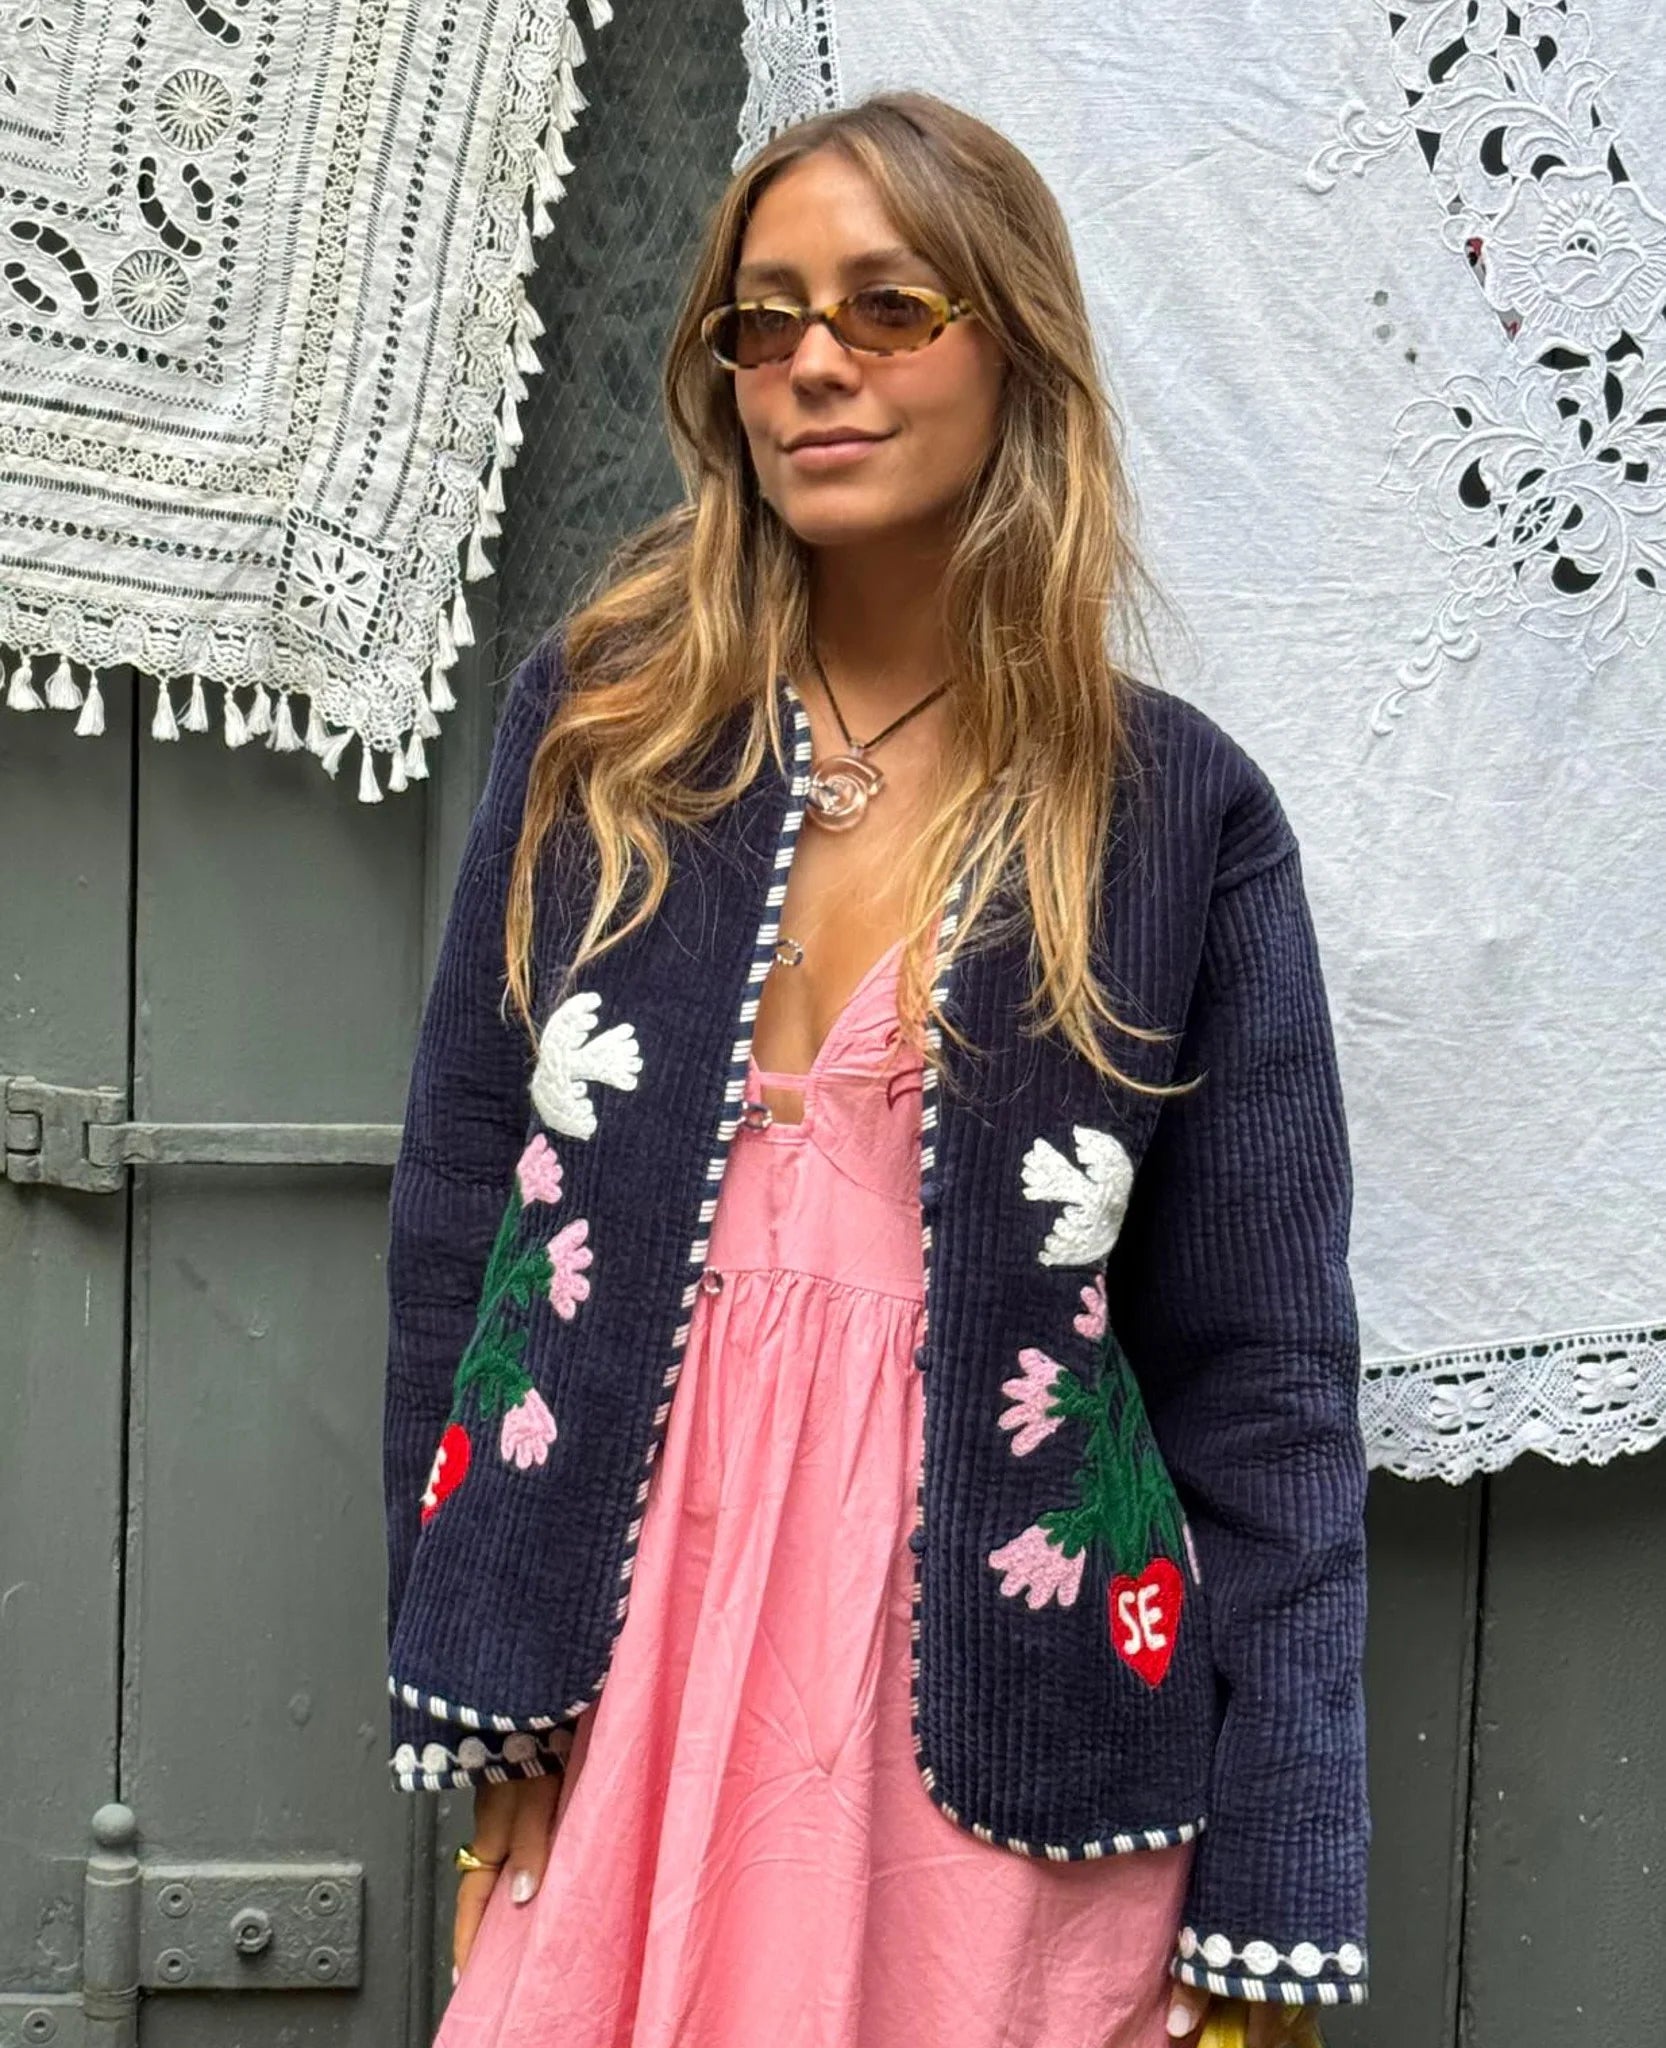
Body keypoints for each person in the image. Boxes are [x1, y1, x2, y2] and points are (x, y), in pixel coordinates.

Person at [381, 88, 1367, 2048]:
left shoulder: (1167, 815)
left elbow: (1262, 1388)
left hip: (1001, 1718)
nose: (813, 362)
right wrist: (469, 1680)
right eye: (764, 319)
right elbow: (458, 1221)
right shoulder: (607, 732)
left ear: (1012, 351)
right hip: (635, 1672)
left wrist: (1274, 1887)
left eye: (887, 307)